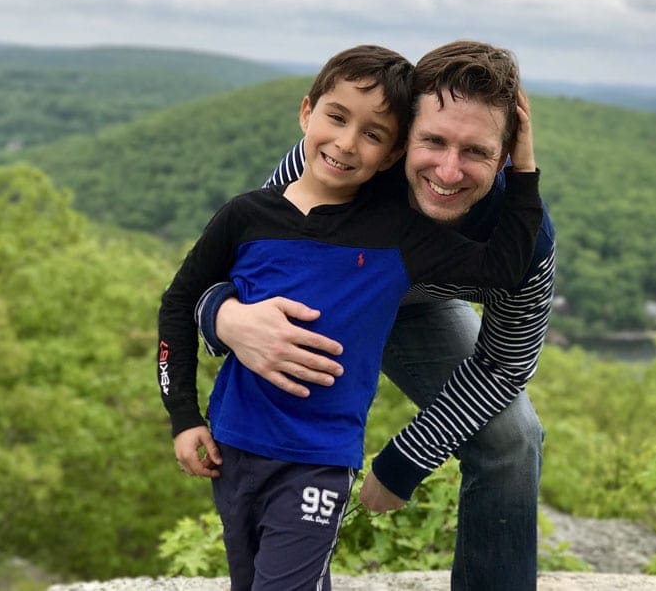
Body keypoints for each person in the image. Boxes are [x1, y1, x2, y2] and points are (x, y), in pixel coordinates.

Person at [157, 44, 543, 591]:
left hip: (422, 306)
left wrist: (404, 460)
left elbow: (506, 364)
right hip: (326, 304)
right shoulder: (336, 163)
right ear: (404, 138)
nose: (448, 170)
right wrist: (227, 318)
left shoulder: (526, 235)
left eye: (476, 151)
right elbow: (246, 259)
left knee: (513, 437)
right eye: (432, 141)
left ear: (505, 155)